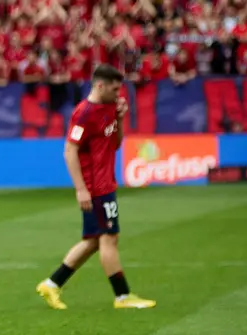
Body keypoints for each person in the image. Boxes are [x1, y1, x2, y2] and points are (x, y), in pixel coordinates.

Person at [35, 64, 156, 310]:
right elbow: (70, 151)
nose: (118, 93)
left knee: (93, 241)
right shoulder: (83, 113)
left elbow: (115, 144)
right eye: (114, 88)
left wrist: (120, 119)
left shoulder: (109, 107)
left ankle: (52, 284)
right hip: (96, 187)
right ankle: (122, 296)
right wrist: (81, 189)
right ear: (99, 85)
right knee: (109, 238)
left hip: (105, 182)